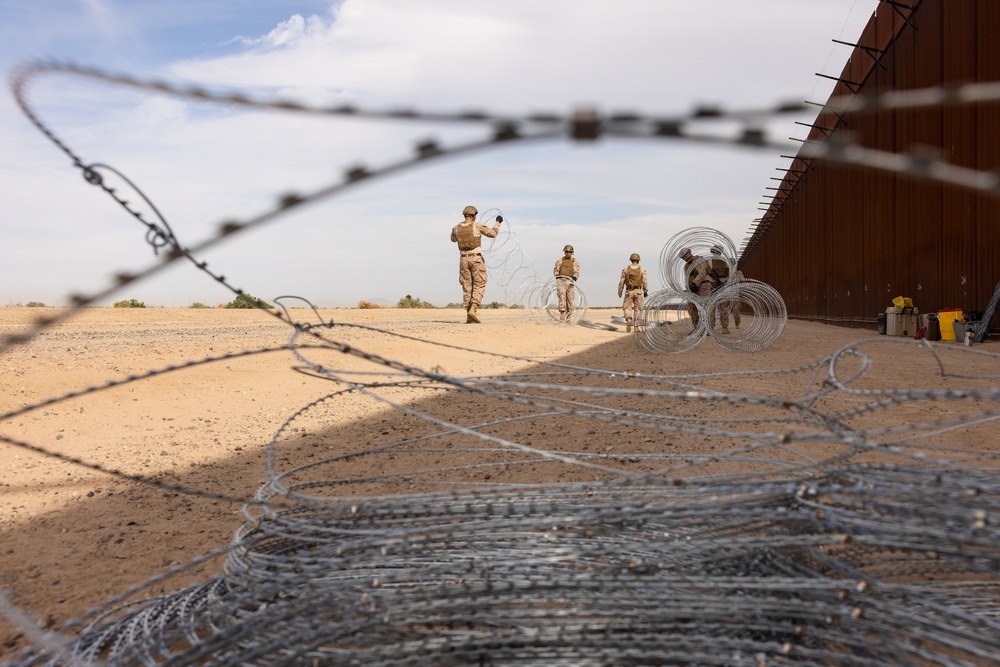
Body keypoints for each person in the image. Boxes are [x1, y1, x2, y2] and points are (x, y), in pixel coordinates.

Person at [450, 205, 502, 323]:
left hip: (463, 259)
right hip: (476, 258)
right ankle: (473, 309)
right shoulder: (477, 225)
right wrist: (498, 222)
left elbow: (453, 239)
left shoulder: (456, 227)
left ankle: (468, 316)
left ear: (465, 215)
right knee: (480, 283)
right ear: (473, 215)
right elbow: (493, 234)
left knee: (466, 286)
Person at [681, 247, 714, 329]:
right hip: (692, 288)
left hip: (703, 286)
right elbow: (687, 278)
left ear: (689, 253)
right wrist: (689, 287)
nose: (685, 259)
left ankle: (708, 328)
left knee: (705, 307)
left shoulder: (699, 260)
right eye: (683, 258)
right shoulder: (686, 265)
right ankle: (696, 327)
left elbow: (702, 273)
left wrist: (695, 284)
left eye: (685, 257)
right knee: (691, 307)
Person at [617, 252, 648, 333]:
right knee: (638, 309)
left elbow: (622, 281)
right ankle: (636, 326)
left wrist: (619, 291)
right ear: (638, 260)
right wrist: (645, 291)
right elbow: (645, 281)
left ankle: (629, 319)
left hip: (629, 291)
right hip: (638, 291)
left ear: (631, 260)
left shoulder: (626, 269)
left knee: (627, 307)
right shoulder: (642, 269)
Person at [708, 245, 732, 334]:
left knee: (722, 307)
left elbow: (730, 274)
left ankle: (723, 327)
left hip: (723, 285)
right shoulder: (710, 261)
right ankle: (713, 327)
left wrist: (726, 284)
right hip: (714, 285)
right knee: (714, 307)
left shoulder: (725, 261)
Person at [553, 244, 580, 321]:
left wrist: (574, 277)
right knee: (562, 298)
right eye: (566, 251)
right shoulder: (560, 261)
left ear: (572, 253)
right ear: (564, 252)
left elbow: (576, 271)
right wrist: (557, 276)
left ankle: (569, 318)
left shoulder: (575, 261)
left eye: (569, 252)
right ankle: (562, 316)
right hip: (561, 281)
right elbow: (556, 270)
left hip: (570, 282)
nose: (567, 253)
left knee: (570, 299)